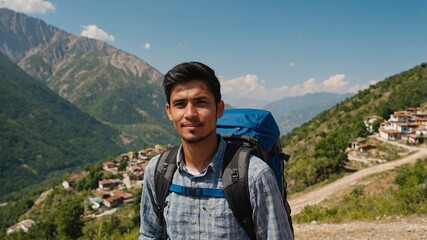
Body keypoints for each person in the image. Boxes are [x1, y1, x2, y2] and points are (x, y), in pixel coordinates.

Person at [139, 61, 293, 239]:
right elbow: (150, 234)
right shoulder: (157, 171)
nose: (190, 113)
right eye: (180, 104)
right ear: (169, 111)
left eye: (200, 102)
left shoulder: (254, 175)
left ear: (219, 109)